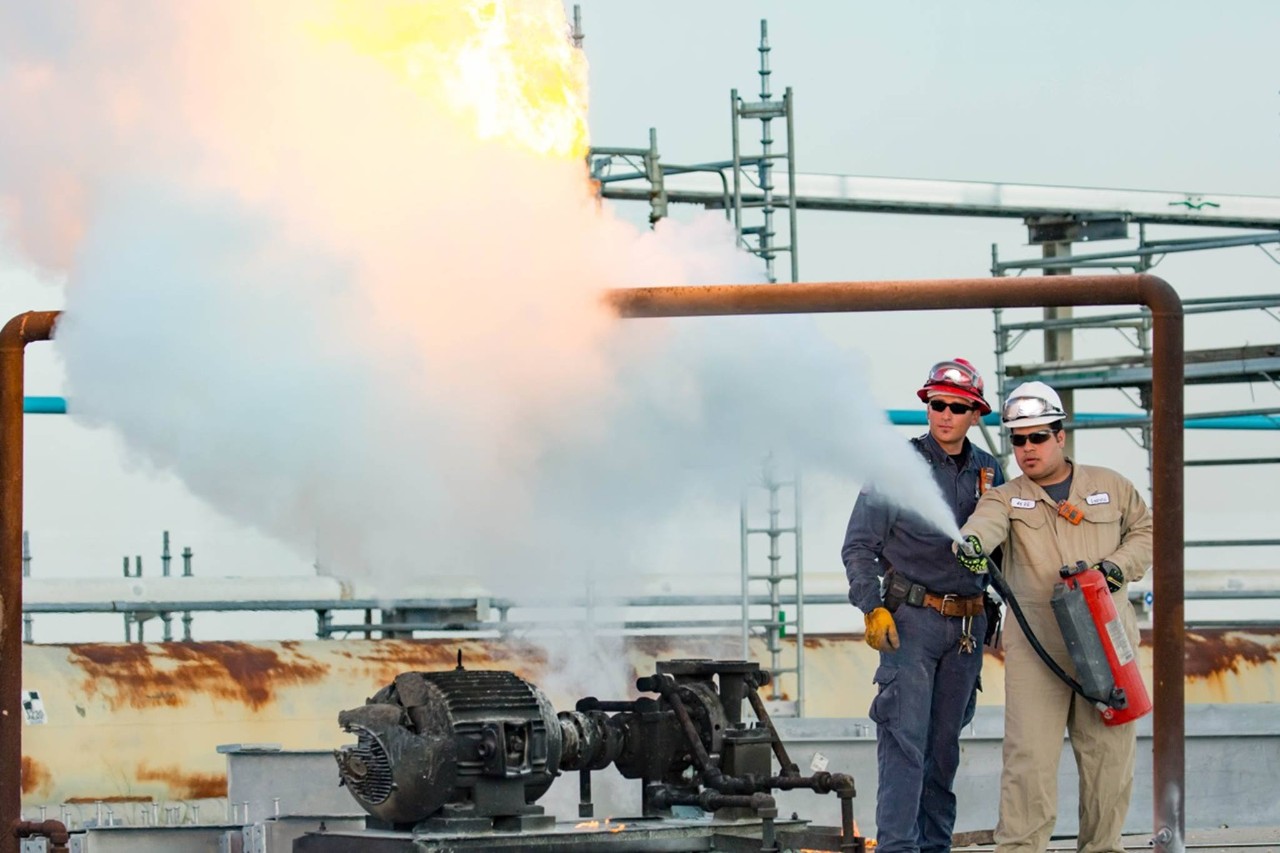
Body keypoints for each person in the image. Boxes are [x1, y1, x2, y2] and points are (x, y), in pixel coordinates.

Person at [955, 380, 1153, 853]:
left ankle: (1102, 848)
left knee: (1108, 760)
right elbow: (983, 526)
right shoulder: (1003, 499)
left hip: (1106, 644)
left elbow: (1147, 533)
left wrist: (1115, 568)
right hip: (1037, 650)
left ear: (1060, 436)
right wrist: (971, 543)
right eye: (1018, 439)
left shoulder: (1111, 487)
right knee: (1029, 760)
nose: (1027, 448)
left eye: (1038, 436)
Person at [842, 358, 1005, 853]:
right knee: (904, 746)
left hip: (967, 630)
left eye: (957, 407)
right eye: (937, 404)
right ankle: (898, 848)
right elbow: (859, 546)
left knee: (943, 751)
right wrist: (871, 606)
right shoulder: (898, 467)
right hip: (910, 624)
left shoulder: (990, 471)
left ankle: (935, 847)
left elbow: (1005, 549)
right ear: (927, 407)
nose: (946, 414)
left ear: (975, 414)